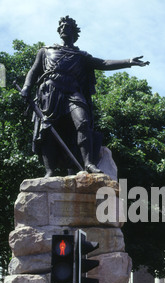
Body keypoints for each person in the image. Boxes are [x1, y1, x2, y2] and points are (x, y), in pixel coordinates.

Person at [21, 16, 149, 177]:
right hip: (50, 93)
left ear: (74, 32)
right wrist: (26, 87)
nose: (62, 28)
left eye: (66, 26)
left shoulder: (81, 56)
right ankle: (50, 171)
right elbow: (33, 71)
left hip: (72, 92)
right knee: (46, 130)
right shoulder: (45, 50)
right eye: (60, 26)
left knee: (83, 122)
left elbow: (103, 63)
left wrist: (129, 61)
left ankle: (88, 163)